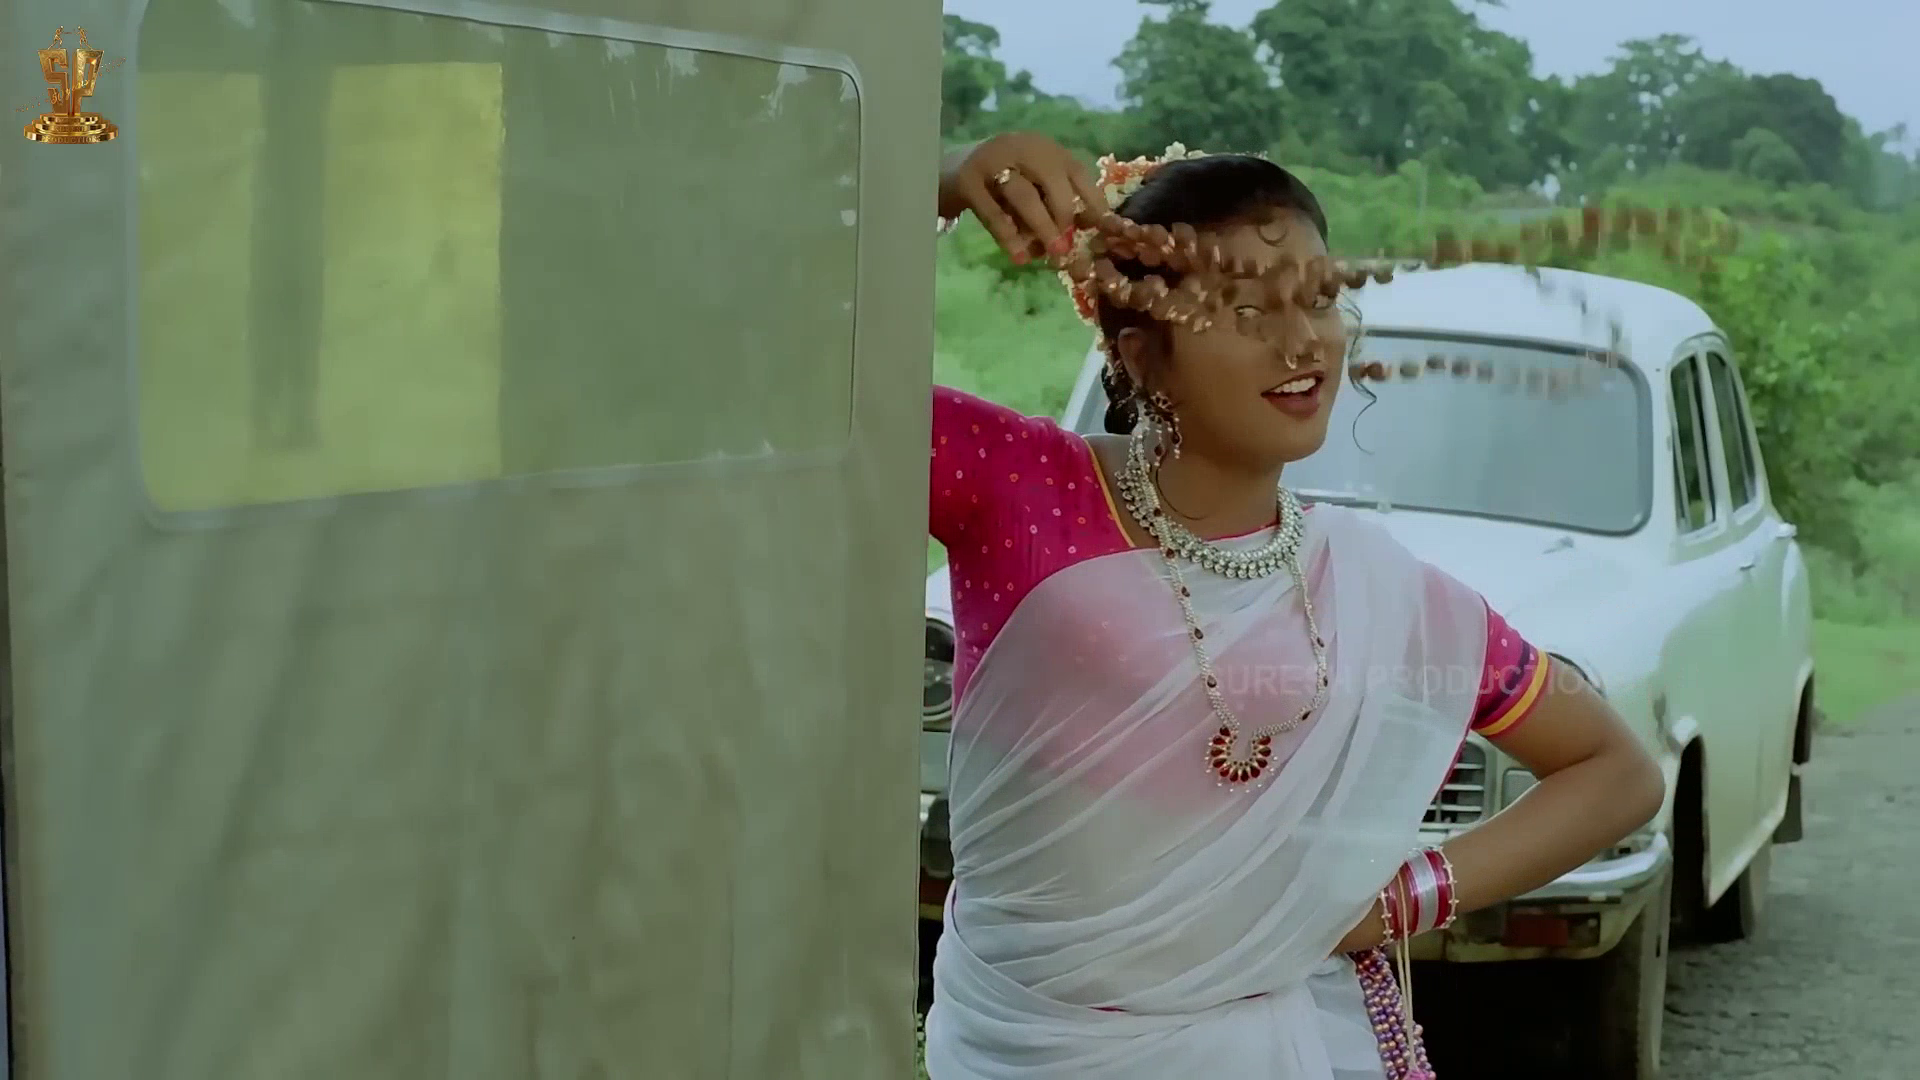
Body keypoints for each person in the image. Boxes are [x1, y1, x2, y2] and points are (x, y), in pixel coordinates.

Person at [922, 132, 1666, 1080]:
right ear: (1143, 356)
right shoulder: (1020, 488)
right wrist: (941, 182)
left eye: (1316, 298)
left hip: (1268, 1045)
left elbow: (1614, 772)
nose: (1303, 341)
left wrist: (1396, 904)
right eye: (1245, 310)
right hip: (1023, 1044)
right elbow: (792, 367)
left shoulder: (1375, 590)